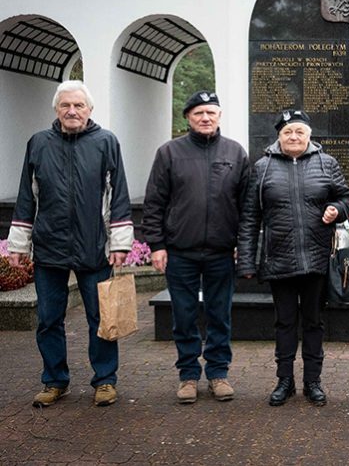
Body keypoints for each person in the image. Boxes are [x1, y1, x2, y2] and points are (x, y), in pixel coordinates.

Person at [7, 80, 134, 408]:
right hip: (50, 247)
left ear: (89, 110)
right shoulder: (38, 143)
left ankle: (105, 380)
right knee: (49, 318)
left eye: (78, 105)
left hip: (94, 246)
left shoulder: (106, 142)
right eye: (65, 105)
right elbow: (26, 196)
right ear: (57, 110)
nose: (72, 111)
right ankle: (54, 380)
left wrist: (120, 243)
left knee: (100, 318)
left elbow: (118, 193)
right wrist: (18, 245)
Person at [237, 109, 349, 407]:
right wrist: (247, 261)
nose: (293, 136)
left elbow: (346, 197)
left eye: (299, 132)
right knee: (284, 323)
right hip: (280, 259)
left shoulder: (326, 163)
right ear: (278, 136)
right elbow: (250, 217)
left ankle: (312, 382)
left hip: (317, 259)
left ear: (309, 135)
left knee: (314, 323)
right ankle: (284, 380)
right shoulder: (262, 167)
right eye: (288, 132)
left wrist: (337, 209)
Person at [143, 91, 250, 404]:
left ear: (219, 117)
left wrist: (242, 245)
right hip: (180, 252)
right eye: (199, 113)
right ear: (187, 117)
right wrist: (157, 245)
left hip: (221, 252)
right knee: (184, 316)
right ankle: (188, 375)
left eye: (211, 113)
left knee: (220, 315)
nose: (205, 118)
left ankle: (218, 373)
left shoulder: (235, 152)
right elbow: (154, 203)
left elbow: (245, 206)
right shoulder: (169, 153)